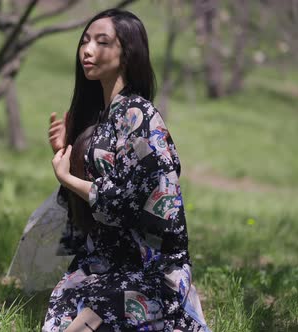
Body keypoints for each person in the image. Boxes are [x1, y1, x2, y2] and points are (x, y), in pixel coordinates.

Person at [44, 8, 210, 332]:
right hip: (103, 262)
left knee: (87, 322)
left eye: (101, 42)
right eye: (85, 41)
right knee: (60, 314)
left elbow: (128, 200)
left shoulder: (140, 116)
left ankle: (175, 308)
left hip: (150, 267)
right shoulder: (101, 116)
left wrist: (67, 177)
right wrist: (68, 152)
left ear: (126, 53)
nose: (87, 50)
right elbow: (82, 207)